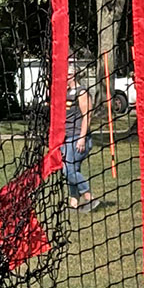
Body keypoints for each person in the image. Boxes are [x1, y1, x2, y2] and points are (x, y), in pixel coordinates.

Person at [62, 64, 100, 212]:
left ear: (73, 74)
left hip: (78, 137)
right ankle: (73, 203)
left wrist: (82, 138)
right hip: (65, 138)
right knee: (71, 168)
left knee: (68, 169)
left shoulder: (81, 92)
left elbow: (87, 116)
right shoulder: (65, 92)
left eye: (67, 74)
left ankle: (88, 197)